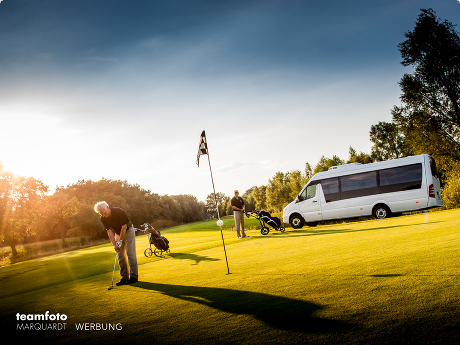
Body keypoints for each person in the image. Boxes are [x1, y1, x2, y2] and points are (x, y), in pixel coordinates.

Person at [94, 201, 138, 285]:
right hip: (117, 233)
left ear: (107, 207)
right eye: (101, 214)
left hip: (128, 231)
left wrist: (120, 241)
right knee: (120, 255)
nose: (104, 215)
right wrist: (115, 244)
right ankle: (124, 277)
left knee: (130, 254)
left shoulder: (118, 211)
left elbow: (124, 227)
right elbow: (109, 232)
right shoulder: (102, 218)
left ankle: (134, 277)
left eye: (105, 213)